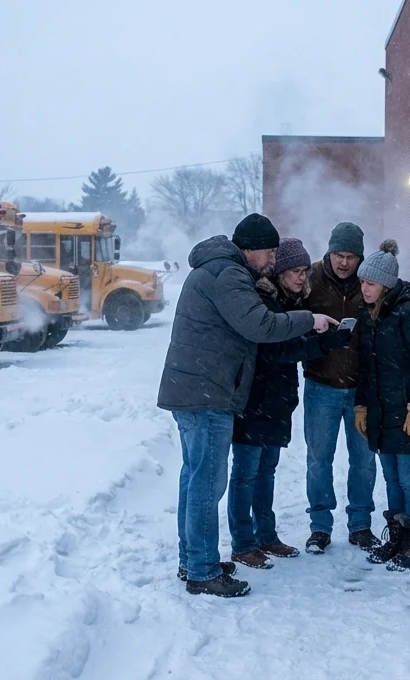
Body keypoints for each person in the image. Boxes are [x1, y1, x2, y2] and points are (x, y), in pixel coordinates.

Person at [158, 214, 337, 598]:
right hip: (206, 392)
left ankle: (193, 559)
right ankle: (203, 571)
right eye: (270, 251)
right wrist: (311, 319)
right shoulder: (229, 274)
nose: (273, 259)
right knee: (207, 482)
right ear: (250, 249)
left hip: (194, 388)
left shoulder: (218, 268)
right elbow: (260, 326)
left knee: (195, 479)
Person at [228, 238, 354, 569]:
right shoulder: (263, 300)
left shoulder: (287, 300)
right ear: (280, 271)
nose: (302, 277)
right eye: (296, 271)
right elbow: (275, 349)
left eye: (303, 271)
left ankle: (266, 535)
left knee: (265, 471)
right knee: (245, 474)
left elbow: (290, 344)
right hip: (253, 399)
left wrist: (320, 338)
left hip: (274, 400)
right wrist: (322, 344)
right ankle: (242, 543)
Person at [352, 240, 410, 571]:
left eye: (370, 283)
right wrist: (361, 406)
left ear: (386, 284)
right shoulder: (369, 315)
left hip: (408, 412)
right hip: (382, 411)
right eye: (362, 282)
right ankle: (397, 538)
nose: (364, 288)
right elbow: (365, 367)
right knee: (391, 478)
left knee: (409, 477)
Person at [301, 222, 379, 554]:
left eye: (351, 257)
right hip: (322, 384)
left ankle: (360, 525)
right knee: (319, 459)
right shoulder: (312, 280)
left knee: (363, 459)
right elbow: (293, 321)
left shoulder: (369, 282)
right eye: (338, 255)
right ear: (329, 252)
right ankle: (320, 526)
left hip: (361, 388)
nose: (344, 263)